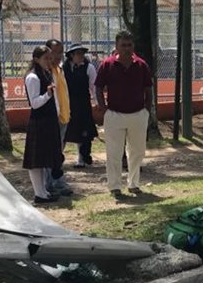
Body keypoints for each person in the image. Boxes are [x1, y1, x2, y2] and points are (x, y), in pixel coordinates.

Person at [94, 30, 154, 198]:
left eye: (130, 45)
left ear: (133, 46)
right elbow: (98, 87)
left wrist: (146, 112)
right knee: (113, 152)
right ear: (116, 47)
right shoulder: (107, 64)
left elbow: (148, 90)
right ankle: (114, 186)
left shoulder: (141, 65)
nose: (127, 48)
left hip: (138, 115)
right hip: (114, 115)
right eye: (123, 45)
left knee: (137, 151)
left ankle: (133, 183)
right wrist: (103, 108)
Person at [22, 46, 64, 205]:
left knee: (43, 158)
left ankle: (43, 192)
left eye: (50, 58)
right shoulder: (33, 77)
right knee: (35, 160)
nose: (49, 61)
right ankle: (39, 193)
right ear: (36, 59)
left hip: (48, 120)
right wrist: (47, 95)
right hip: (39, 121)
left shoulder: (46, 74)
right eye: (46, 58)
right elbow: (34, 103)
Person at [62, 42, 99, 168]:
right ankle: (57, 158)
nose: (81, 56)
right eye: (78, 53)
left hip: (83, 103)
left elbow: (93, 87)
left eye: (82, 53)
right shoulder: (63, 67)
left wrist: (97, 102)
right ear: (71, 55)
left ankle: (82, 158)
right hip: (67, 103)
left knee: (83, 132)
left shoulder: (89, 68)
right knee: (64, 131)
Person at [44, 39, 73, 196]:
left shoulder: (60, 70)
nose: (58, 56)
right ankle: (50, 184)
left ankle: (57, 181)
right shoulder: (45, 72)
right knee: (51, 153)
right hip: (52, 119)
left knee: (59, 153)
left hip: (64, 117)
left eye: (60, 52)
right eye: (55, 52)